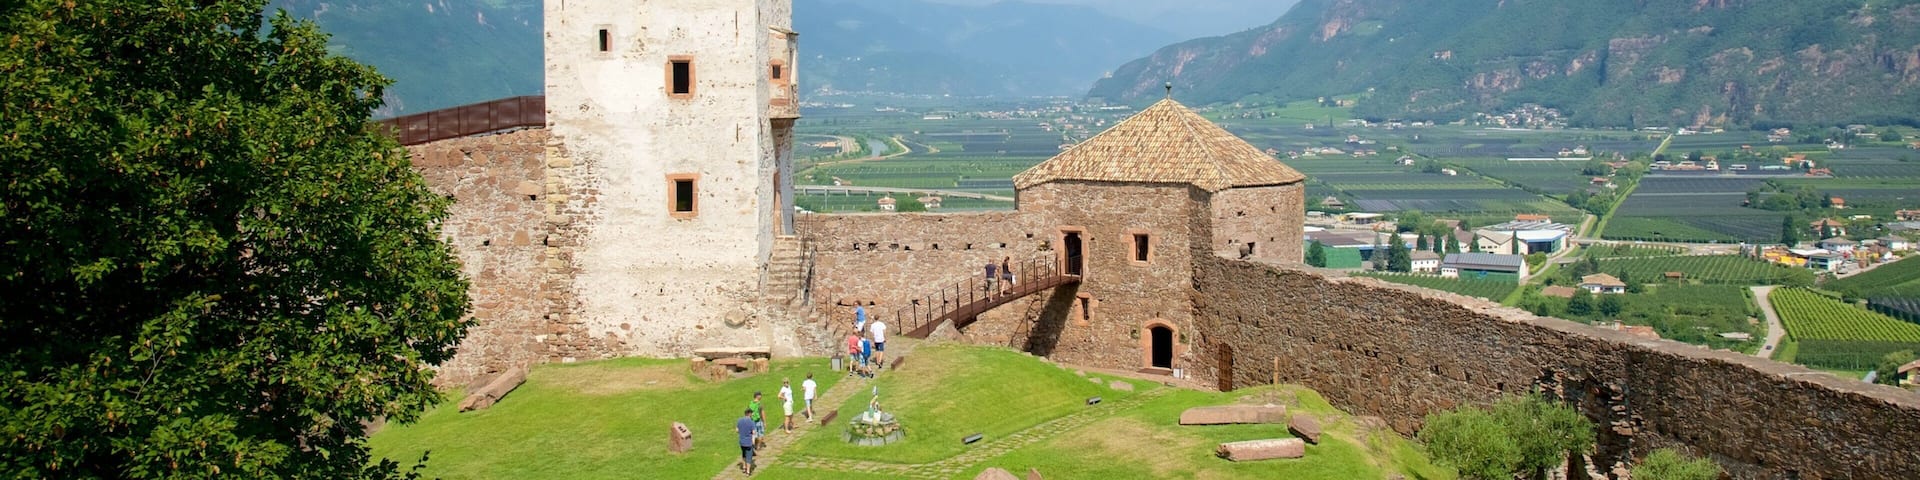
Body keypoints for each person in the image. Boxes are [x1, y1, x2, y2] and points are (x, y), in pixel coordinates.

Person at [736, 408, 757, 475]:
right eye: (752, 414)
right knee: (749, 457)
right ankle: (748, 471)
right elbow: (753, 432)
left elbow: (737, 430)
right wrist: (753, 441)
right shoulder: (751, 422)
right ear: (749, 413)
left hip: (742, 441)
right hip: (748, 442)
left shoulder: (739, 420)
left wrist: (742, 432)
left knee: (744, 454)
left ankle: (744, 468)